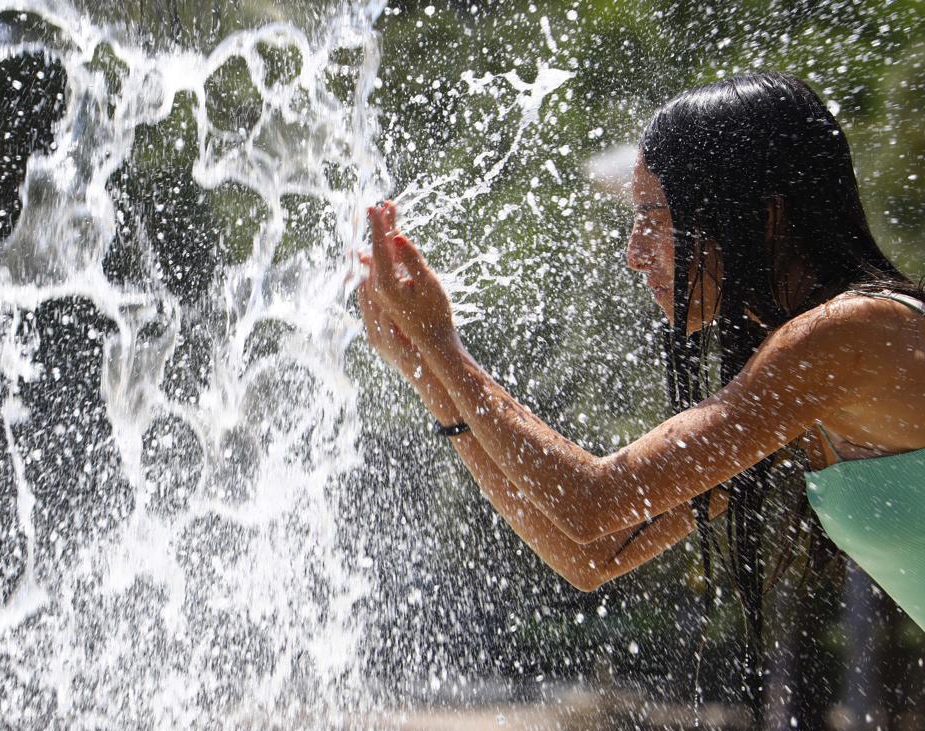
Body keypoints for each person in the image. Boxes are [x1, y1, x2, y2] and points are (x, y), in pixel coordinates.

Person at [357, 72, 925, 650]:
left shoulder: (853, 332)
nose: (633, 254)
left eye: (655, 218)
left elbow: (591, 504)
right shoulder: (802, 377)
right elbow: (593, 556)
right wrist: (428, 370)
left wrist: (442, 344)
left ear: (765, 215)